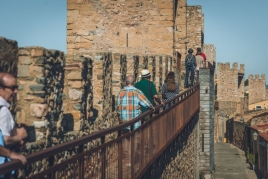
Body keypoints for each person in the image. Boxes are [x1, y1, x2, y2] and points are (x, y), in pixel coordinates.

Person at [0, 72, 28, 166]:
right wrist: (20, 136)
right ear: (0, 89)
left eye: (16, 88)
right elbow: (5, 140)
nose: (16, 91)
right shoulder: (3, 111)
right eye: (12, 88)